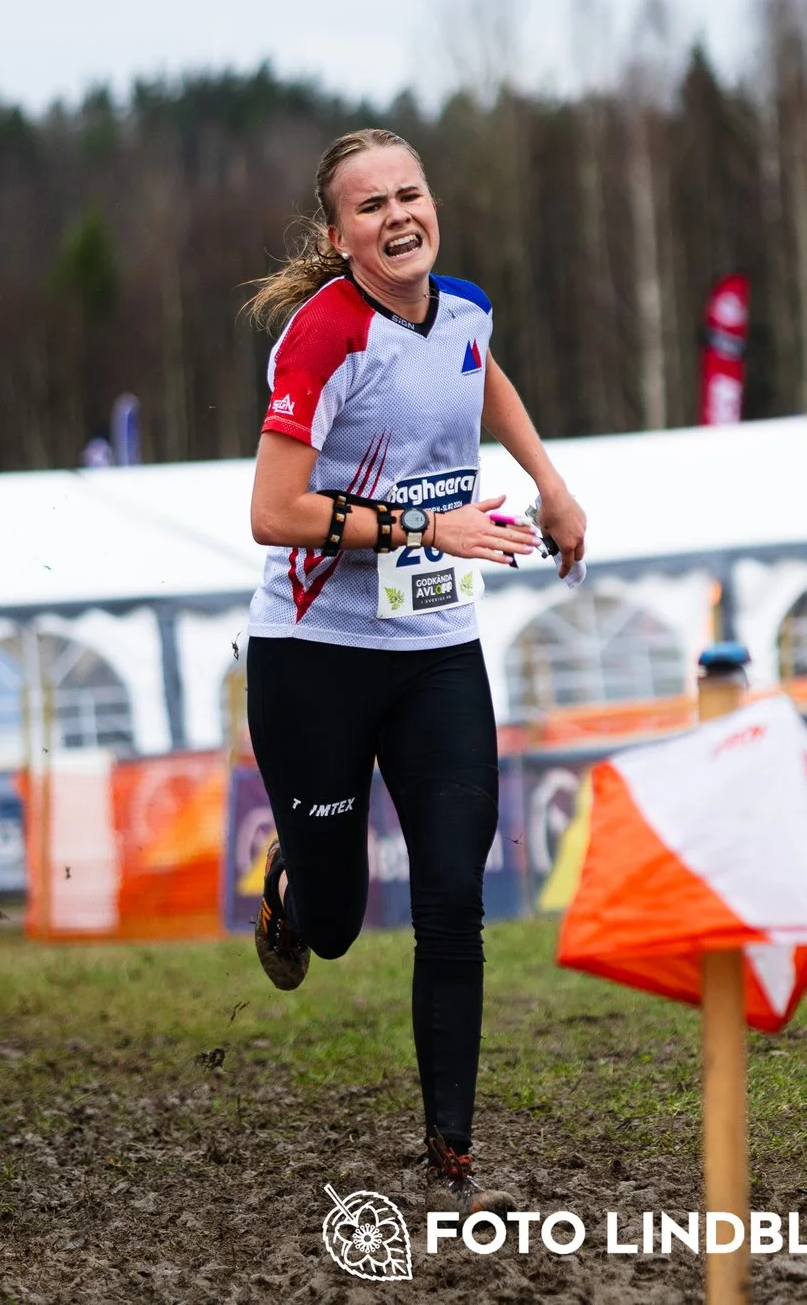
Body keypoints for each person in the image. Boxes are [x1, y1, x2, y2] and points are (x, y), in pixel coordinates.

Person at [239, 128, 585, 1215]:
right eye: (371, 205)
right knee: (338, 923)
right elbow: (271, 511)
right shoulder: (322, 336)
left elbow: (480, 379)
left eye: (412, 193)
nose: (398, 217)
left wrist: (549, 482)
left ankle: (450, 1140)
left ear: (432, 203)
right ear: (337, 232)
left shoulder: (466, 309)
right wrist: (423, 524)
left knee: (451, 894)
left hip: (436, 654)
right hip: (314, 658)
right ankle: (293, 888)